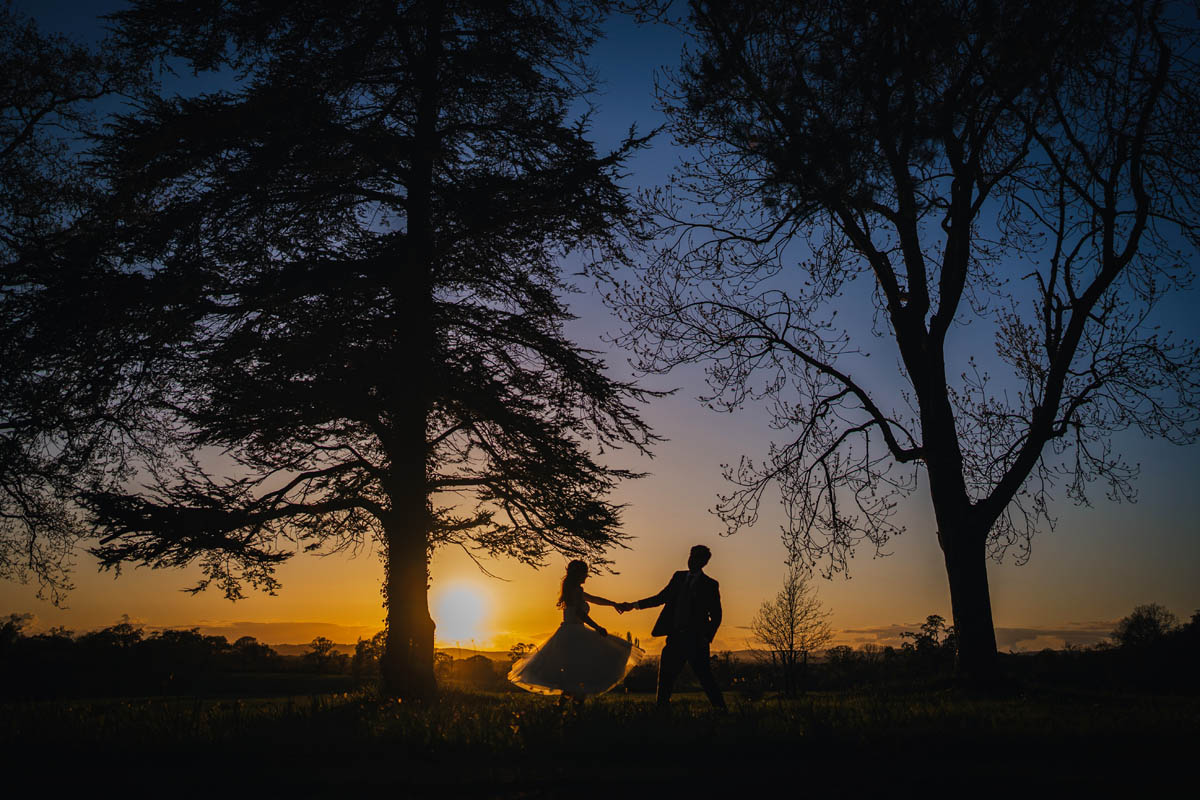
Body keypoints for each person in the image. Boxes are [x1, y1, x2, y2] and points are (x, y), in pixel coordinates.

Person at [507, 559, 642, 700]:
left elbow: (594, 599)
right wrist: (598, 627)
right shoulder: (576, 590)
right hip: (574, 635)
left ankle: (566, 707)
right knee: (582, 672)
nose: (586, 576)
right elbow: (579, 613)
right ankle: (573, 707)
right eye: (585, 573)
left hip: (568, 633)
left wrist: (614, 604)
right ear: (578, 574)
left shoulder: (574, 590)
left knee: (573, 676)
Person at [617, 545, 726, 710]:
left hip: (696, 640)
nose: (692, 560)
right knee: (666, 677)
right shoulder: (678, 577)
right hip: (675, 637)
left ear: (704, 562)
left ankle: (721, 711)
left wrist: (706, 637)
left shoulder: (710, 585)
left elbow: (716, 615)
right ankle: (661, 711)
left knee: (705, 678)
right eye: (691, 556)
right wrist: (633, 605)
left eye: (696, 558)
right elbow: (661, 598)